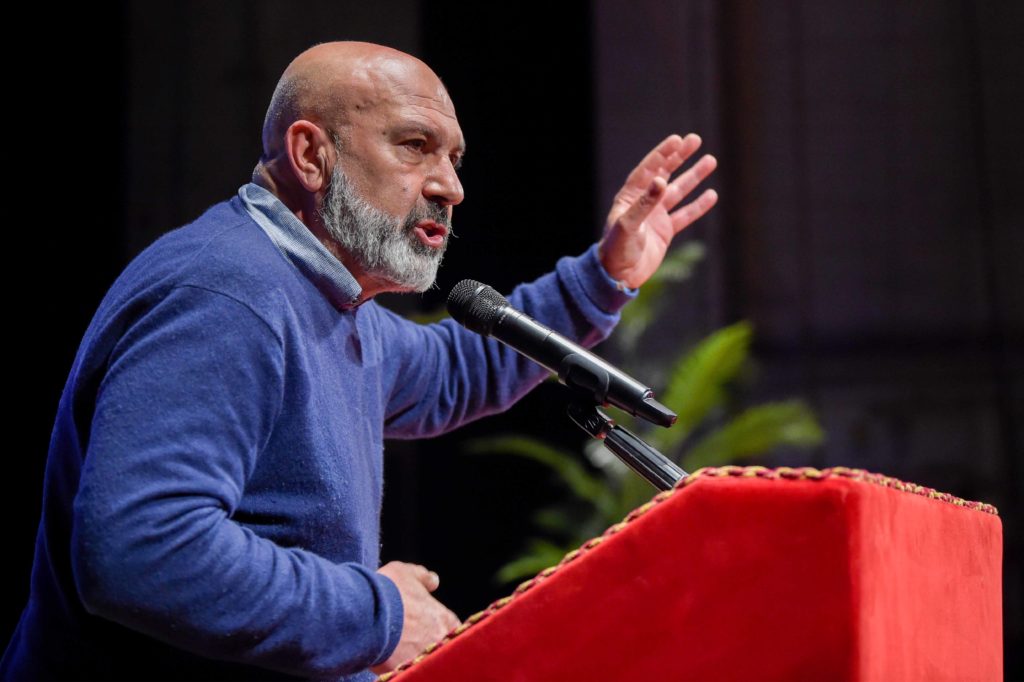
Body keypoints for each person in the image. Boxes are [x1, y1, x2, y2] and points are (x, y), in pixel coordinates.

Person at [1, 41, 717, 681]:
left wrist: (604, 276)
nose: (450, 187)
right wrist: (377, 616)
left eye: (454, 159)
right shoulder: (226, 295)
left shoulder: (324, 302)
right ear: (311, 155)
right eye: (415, 146)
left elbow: (455, 370)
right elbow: (143, 549)